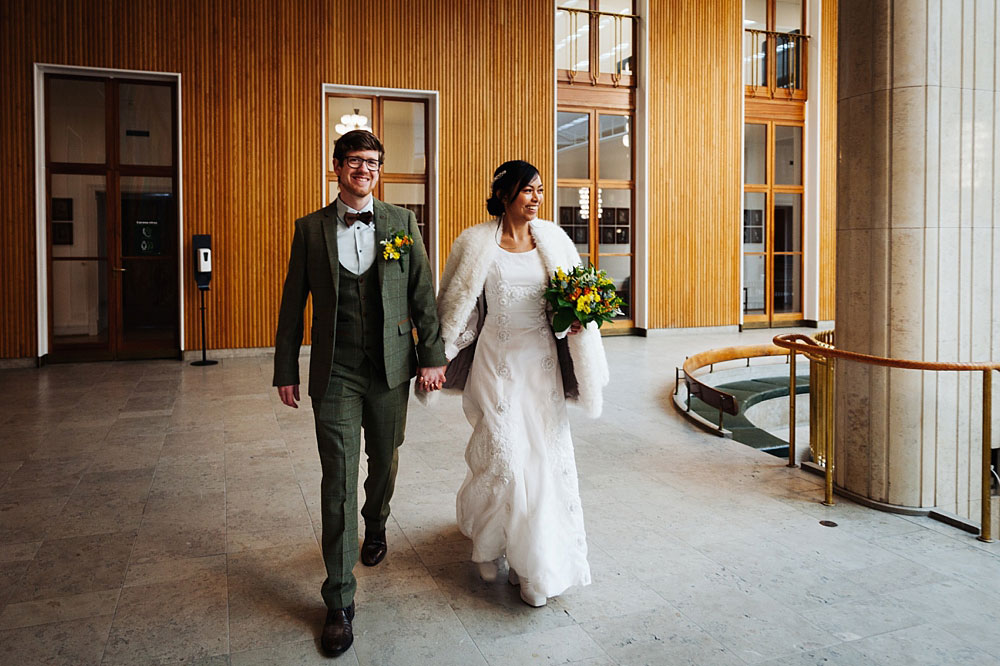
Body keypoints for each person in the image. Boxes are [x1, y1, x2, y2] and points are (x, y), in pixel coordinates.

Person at [273, 129, 447, 657]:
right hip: (336, 371)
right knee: (338, 477)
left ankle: (376, 523)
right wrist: (285, 368)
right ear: (336, 166)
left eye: (372, 162)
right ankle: (338, 600)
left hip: (392, 368)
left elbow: (422, 294)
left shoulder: (401, 223)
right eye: (354, 161)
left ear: (379, 169)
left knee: (385, 460)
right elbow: (291, 307)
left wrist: (433, 356)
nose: (364, 169)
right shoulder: (310, 229)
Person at [433, 160, 609, 607]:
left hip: (541, 367)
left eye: (540, 190)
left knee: (543, 465)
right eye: (528, 190)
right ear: (505, 194)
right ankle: (503, 545)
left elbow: (564, 307)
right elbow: (463, 312)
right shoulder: (476, 244)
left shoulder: (554, 240)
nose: (536, 198)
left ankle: (535, 569)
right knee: (508, 463)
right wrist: (440, 357)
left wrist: (574, 324)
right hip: (496, 365)